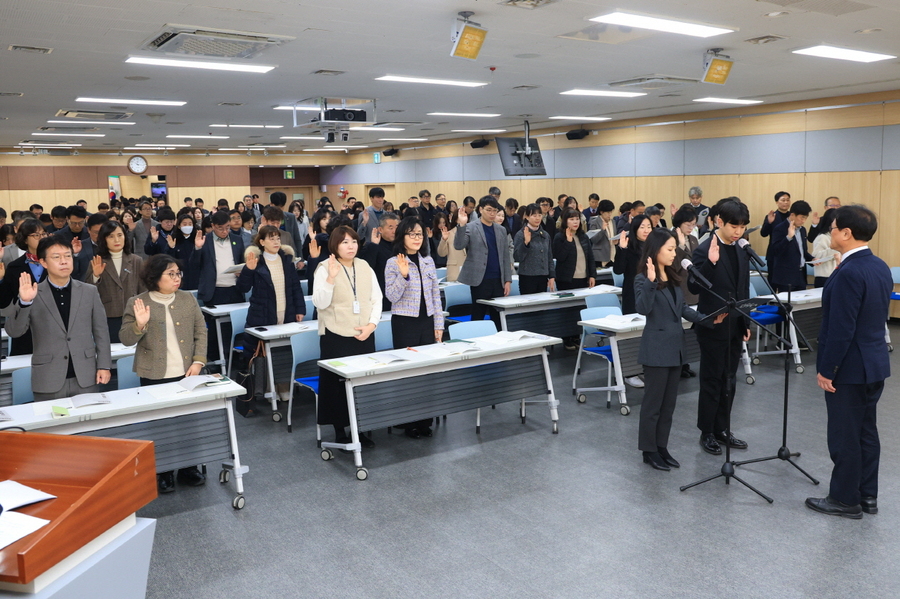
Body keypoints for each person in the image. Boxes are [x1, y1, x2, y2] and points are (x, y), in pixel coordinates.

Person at [805, 205, 891, 519]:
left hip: (850, 369)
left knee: (844, 435)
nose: (830, 232)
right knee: (866, 431)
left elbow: (841, 329)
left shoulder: (849, 273)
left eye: (834, 228)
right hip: (874, 363)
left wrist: (828, 370)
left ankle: (844, 499)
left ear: (846, 233)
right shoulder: (878, 266)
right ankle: (867, 495)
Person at [635, 229, 726, 471]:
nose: (674, 253)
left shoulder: (675, 277)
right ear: (655, 251)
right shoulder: (643, 279)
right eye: (670, 249)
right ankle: (649, 450)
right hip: (656, 351)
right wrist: (652, 281)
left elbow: (684, 309)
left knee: (668, 405)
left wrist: (709, 319)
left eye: (675, 248)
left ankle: (661, 447)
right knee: (653, 405)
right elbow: (643, 309)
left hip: (675, 349)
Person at [120, 254, 207, 494]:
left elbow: (201, 331)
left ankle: (189, 467)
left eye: (178, 273)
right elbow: (126, 339)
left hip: (187, 372)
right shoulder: (138, 302)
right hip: (154, 374)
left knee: (188, 422)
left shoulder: (188, 299)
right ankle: (164, 471)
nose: (177, 277)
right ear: (155, 277)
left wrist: (199, 362)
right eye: (171, 274)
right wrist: (139, 325)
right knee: (161, 424)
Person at [6, 236, 111, 400]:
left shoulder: (89, 291)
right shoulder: (32, 292)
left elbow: (101, 332)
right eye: (56, 257)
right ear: (44, 262)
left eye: (68, 256)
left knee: (88, 424)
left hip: (86, 375)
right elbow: (14, 331)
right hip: (48, 378)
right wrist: (25, 302)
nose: (64, 261)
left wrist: (104, 366)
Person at [690, 199, 753, 456]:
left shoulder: (741, 249)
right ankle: (707, 432)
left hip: (735, 324)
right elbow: (694, 287)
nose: (738, 231)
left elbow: (744, 288)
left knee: (730, 379)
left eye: (742, 227)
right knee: (712, 380)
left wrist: (745, 321)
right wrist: (712, 263)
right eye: (734, 226)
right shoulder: (704, 249)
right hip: (713, 325)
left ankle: (723, 428)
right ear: (719, 222)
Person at [312, 226, 382, 447]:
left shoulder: (364, 266)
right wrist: (331, 279)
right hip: (336, 334)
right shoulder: (325, 268)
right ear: (335, 245)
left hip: (364, 333)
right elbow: (319, 303)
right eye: (344, 242)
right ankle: (340, 430)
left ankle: (359, 428)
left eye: (353, 241)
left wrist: (372, 325)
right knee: (336, 385)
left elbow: (376, 299)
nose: (350, 246)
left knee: (362, 382)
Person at [384, 217, 444, 438]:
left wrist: (439, 324)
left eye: (420, 234)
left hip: (426, 322)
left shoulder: (427, 261)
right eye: (412, 234)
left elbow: (435, 296)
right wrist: (403, 274)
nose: (417, 238)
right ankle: (409, 422)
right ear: (402, 237)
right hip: (404, 323)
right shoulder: (393, 263)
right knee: (408, 373)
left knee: (426, 371)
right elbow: (391, 296)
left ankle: (425, 421)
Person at [237, 225, 306, 402]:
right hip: (263, 315)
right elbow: (243, 288)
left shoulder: (286, 260)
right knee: (265, 353)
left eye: (278, 239)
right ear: (262, 242)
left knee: (283, 352)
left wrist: (300, 309)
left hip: (287, 313)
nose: (276, 242)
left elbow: (295, 287)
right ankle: (268, 389)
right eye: (271, 239)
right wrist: (248, 270)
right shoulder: (256, 262)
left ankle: (283, 386)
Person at [192, 210, 245, 365]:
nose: (225, 231)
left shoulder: (237, 240)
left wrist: (242, 272)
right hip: (214, 291)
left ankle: (234, 359)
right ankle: (216, 360)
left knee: (234, 327)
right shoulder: (204, 240)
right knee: (215, 331)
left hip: (234, 290)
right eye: (221, 228)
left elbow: (241, 261)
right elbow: (194, 265)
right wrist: (197, 248)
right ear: (213, 226)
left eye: (227, 227)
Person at [453, 196, 513, 328]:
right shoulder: (471, 227)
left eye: (495, 211)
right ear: (480, 209)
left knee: (498, 315)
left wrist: (507, 280)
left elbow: (505, 257)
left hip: (498, 279)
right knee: (478, 314)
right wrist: (461, 225)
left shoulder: (501, 230)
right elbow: (458, 245)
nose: (492, 214)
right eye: (489, 210)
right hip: (480, 279)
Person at [87, 221, 145, 343]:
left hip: (133, 314)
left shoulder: (136, 260)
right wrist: (95, 275)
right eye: (111, 236)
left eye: (120, 235)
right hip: (108, 315)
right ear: (104, 239)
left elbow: (143, 289)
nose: (116, 240)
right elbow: (88, 291)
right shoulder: (97, 261)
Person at [0, 219, 48, 355]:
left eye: (43, 234)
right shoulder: (15, 267)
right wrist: (1, 280)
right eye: (36, 235)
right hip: (25, 325)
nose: (41, 238)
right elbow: (3, 301)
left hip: (51, 325)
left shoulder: (54, 262)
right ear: (25, 239)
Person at [553, 207, 596, 350]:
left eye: (577, 219)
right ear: (565, 221)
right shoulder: (559, 237)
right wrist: (568, 241)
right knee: (567, 311)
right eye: (571, 219)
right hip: (566, 279)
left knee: (579, 309)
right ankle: (567, 338)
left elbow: (590, 257)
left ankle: (577, 336)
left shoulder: (583, 236)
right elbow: (559, 257)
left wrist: (592, 275)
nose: (575, 222)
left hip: (583, 278)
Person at [670, 207, 700, 378]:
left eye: (693, 225)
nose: (691, 228)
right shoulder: (671, 240)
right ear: (679, 224)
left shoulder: (694, 239)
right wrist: (680, 246)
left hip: (693, 289)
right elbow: (673, 267)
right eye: (688, 225)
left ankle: (686, 363)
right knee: (678, 330)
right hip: (679, 288)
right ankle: (678, 364)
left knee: (689, 330)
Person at [768, 200, 814, 293]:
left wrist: (812, 259)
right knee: (787, 306)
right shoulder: (780, 228)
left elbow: (802, 251)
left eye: (805, 218)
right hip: (786, 277)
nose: (803, 221)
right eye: (802, 218)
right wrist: (788, 237)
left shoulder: (802, 230)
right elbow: (775, 251)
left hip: (800, 275)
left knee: (802, 306)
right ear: (792, 215)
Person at [614, 214, 652, 314]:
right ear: (634, 229)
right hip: (633, 293)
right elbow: (618, 270)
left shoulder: (655, 247)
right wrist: (622, 249)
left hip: (653, 292)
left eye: (649, 227)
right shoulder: (628, 247)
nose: (646, 230)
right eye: (642, 227)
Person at [514, 204, 555, 295]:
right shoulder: (521, 234)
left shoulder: (545, 235)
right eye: (534, 215)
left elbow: (549, 257)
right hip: (527, 277)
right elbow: (517, 257)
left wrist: (551, 276)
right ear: (527, 217)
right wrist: (526, 243)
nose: (537, 218)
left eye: (539, 215)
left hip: (543, 276)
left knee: (541, 306)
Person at [760, 191, 791, 281]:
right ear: (777, 202)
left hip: (788, 253)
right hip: (774, 253)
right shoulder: (771, 216)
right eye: (783, 200)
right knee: (773, 281)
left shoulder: (792, 216)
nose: (786, 202)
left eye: (788, 200)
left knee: (787, 281)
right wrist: (769, 223)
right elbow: (763, 234)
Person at [811, 209, 841, 288]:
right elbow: (816, 256)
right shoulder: (822, 237)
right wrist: (834, 248)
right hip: (824, 277)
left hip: (836, 275)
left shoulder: (838, 237)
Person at [437, 209, 466, 282]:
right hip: (454, 272)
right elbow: (441, 253)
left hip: (470, 272)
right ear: (456, 219)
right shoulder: (449, 233)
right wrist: (443, 240)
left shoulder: (472, 232)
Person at [587, 199, 616, 267]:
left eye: (611, 212)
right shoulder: (594, 221)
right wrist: (602, 230)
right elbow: (594, 240)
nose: (610, 214)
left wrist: (616, 240)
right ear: (601, 212)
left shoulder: (613, 222)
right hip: (599, 256)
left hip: (612, 255)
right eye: (608, 212)